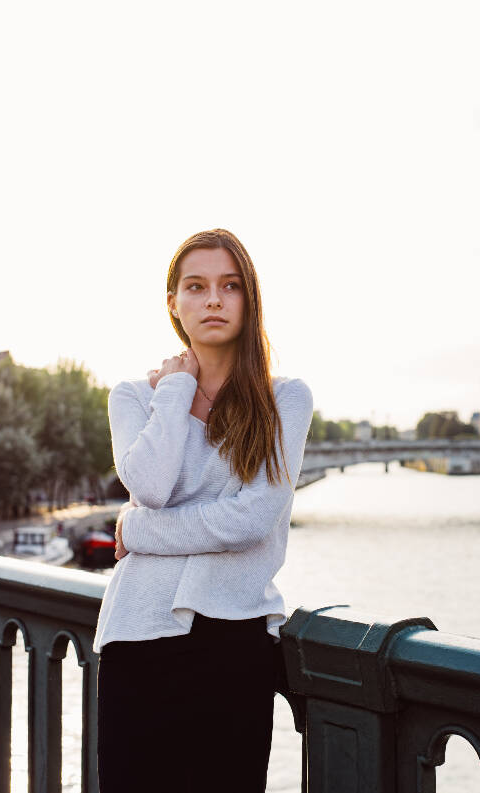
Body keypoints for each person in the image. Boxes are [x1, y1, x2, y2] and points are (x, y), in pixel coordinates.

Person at [93, 228, 313, 792]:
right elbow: (151, 485)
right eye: (196, 286)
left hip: (234, 638)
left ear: (249, 298)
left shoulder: (284, 398)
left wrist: (138, 531)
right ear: (174, 302)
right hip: (137, 635)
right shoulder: (135, 395)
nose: (213, 299)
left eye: (229, 286)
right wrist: (175, 390)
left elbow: (251, 520)